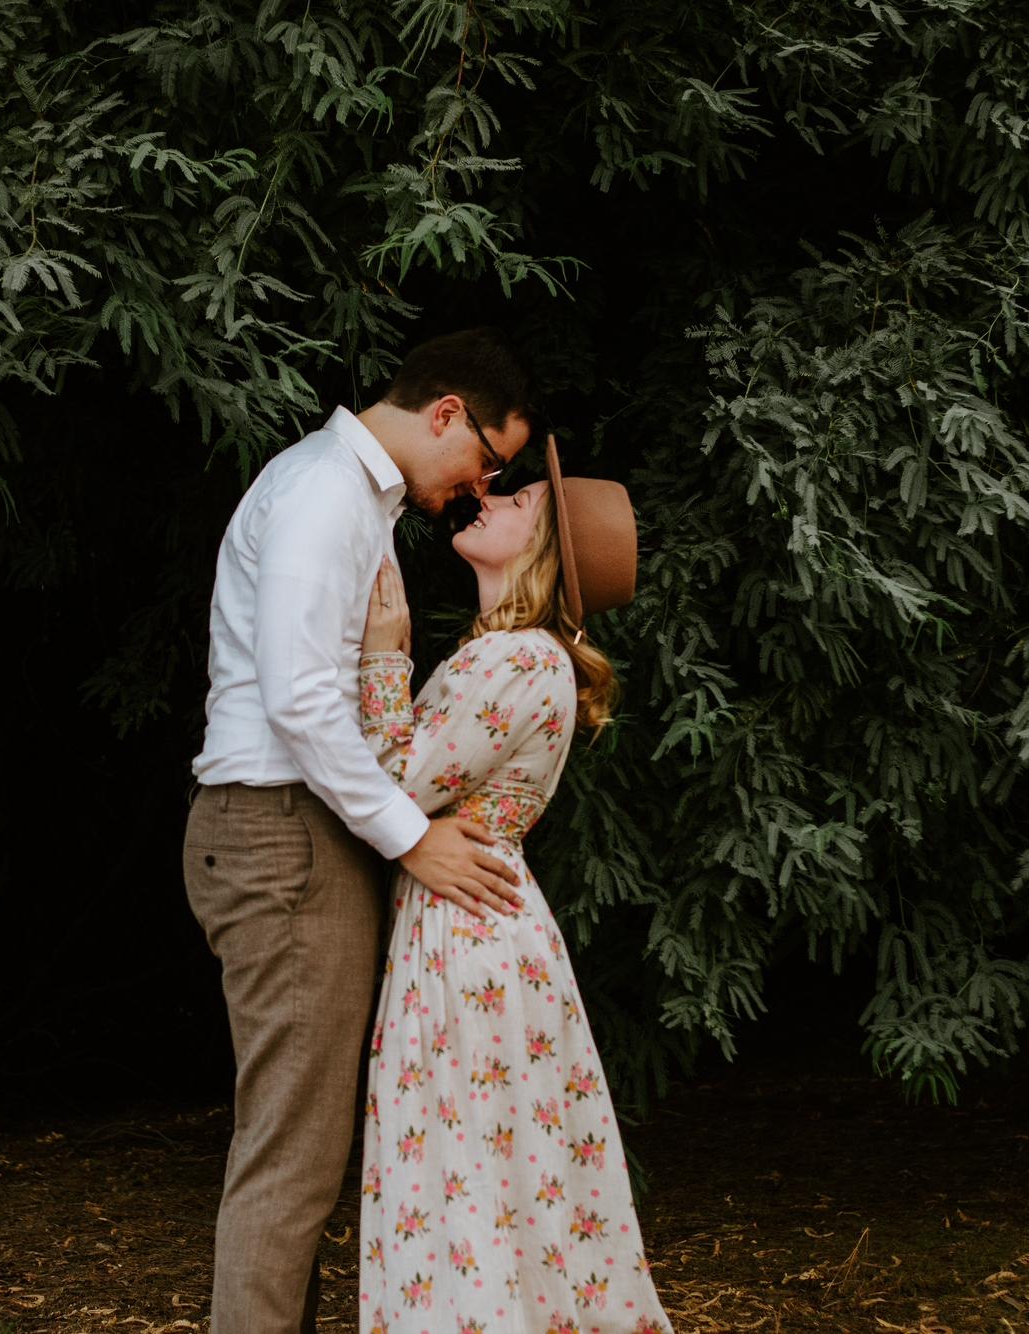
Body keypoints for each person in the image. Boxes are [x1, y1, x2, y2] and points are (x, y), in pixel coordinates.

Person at [184, 329, 537, 1334]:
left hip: (295, 829)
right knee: (292, 1157)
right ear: (445, 413)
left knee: (298, 1145)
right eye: (487, 461)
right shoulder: (324, 494)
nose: (478, 489)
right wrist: (408, 835)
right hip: (281, 831)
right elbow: (299, 699)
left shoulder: (349, 495)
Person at [356, 437, 675, 1332]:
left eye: (522, 501)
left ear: (542, 552)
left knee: (463, 1174)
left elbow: (390, 783)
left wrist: (382, 657)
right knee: (490, 1177)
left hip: (467, 934)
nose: (493, 496)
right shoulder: (512, 655)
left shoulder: (519, 660)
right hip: (478, 922)